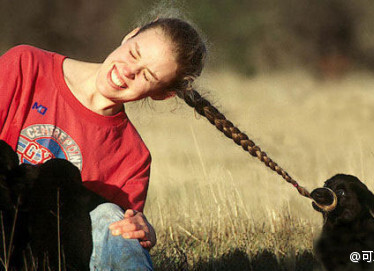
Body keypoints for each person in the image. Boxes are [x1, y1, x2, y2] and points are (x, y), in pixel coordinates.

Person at [0, 16, 300, 271]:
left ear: (161, 94)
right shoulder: (26, 64)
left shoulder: (133, 157)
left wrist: (138, 230)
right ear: (130, 35)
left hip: (52, 253)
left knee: (112, 218)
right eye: (134, 53)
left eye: (148, 75)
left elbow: (104, 233)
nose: (129, 71)